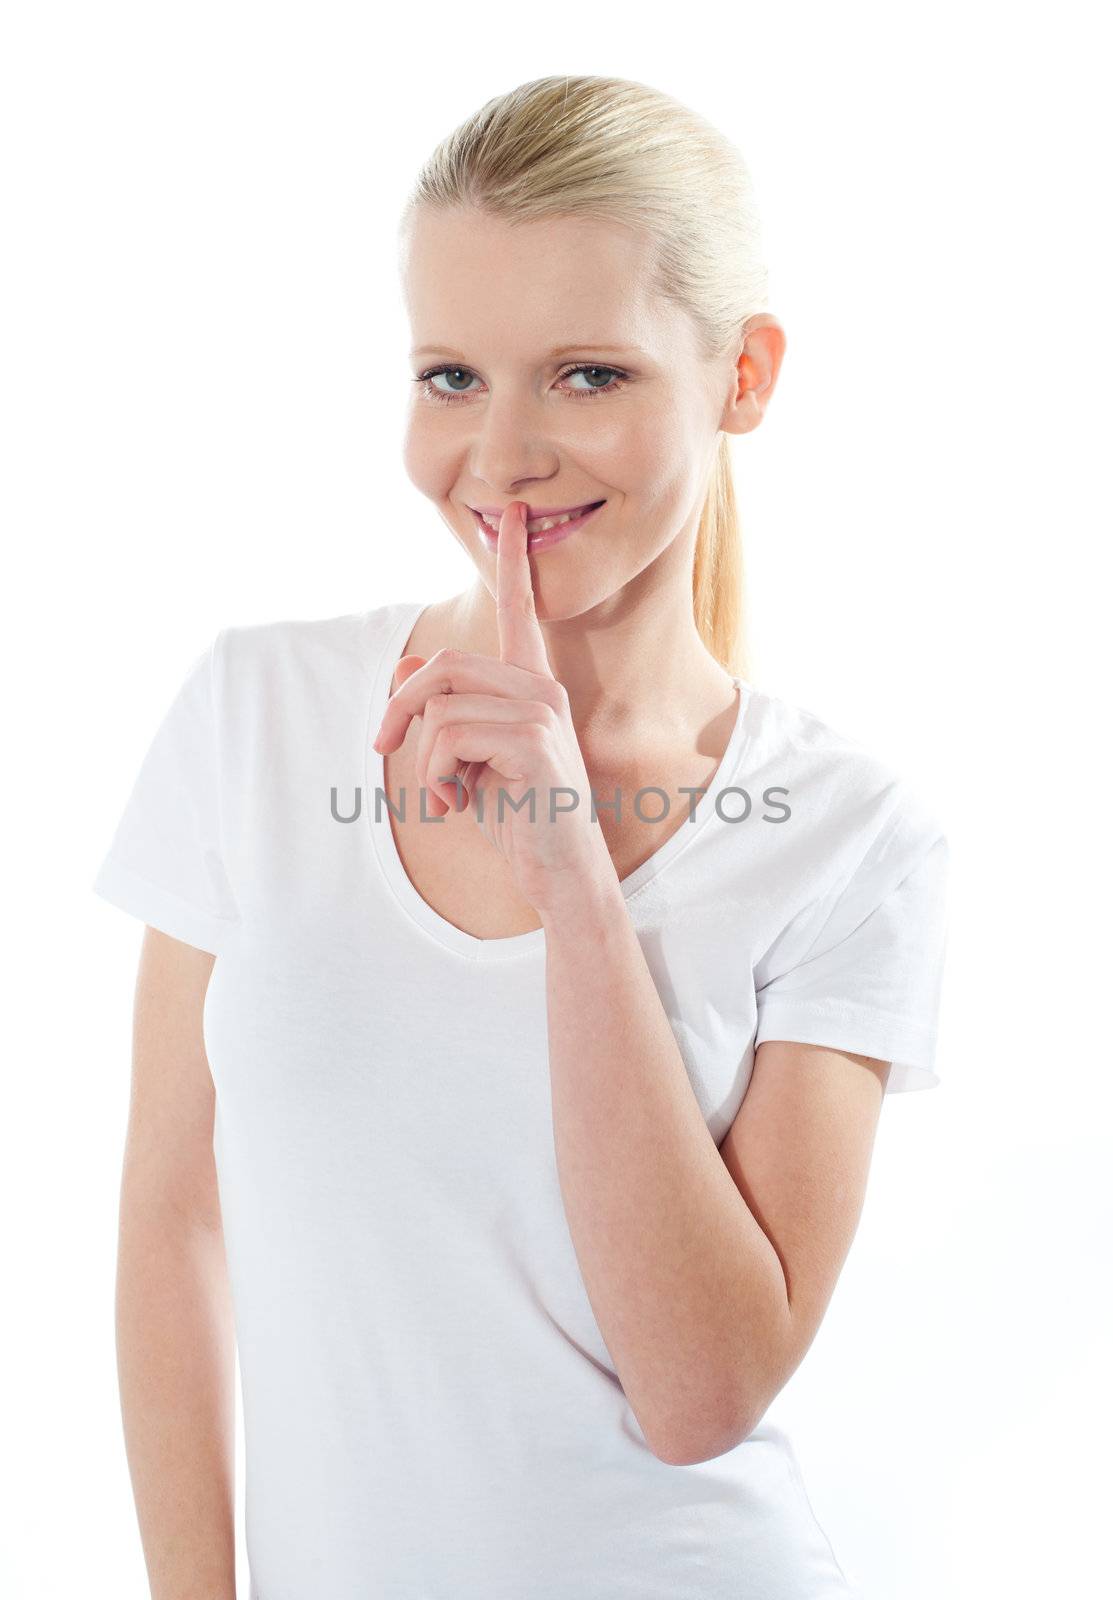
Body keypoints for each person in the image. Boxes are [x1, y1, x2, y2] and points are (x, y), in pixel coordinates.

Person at [92, 74, 950, 1600]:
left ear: (742, 374)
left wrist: (576, 884)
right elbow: (174, 1226)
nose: (499, 456)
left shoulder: (841, 833)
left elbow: (698, 1395)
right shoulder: (258, 715)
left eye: (585, 376)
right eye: (449, 378)